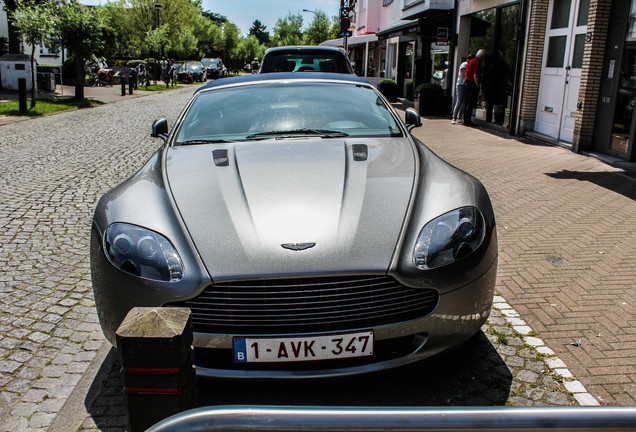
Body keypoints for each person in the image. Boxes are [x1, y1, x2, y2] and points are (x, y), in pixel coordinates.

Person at [463, 49, 486, 127]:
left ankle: (465, 119)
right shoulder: (477, 62)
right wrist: (477, 85)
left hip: (467, 82)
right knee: (470, 102)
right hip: (471, 83)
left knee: (467, 102)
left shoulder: (471, 61)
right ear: (482, 56)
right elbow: (475, 75)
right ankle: (467, 120)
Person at [451, 58, 469, 124]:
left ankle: (459, 117)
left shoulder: (467, 65)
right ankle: (454, 117)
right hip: (461, 84)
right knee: (459, 101)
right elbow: (465, 73)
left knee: (463, 102)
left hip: (464, 84)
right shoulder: (464, 64)